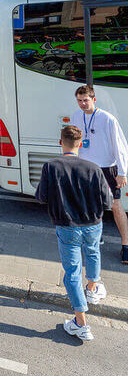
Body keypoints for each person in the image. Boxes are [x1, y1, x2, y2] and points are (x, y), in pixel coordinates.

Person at [35, 126, 113, 341]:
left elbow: (41, 197)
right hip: (92, 224)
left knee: (72, 272)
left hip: (67, 226)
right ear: (81, 144)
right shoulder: (93, 168)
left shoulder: (51, 167)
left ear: (61, 142)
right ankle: (92, 289)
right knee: (93, 253)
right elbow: (107, 202)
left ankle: (80, 322)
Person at [70, 85, 128, 264]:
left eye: (85, 100)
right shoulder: (76, 116)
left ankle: (126, 245)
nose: (82, 104)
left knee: (116, 206)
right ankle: (97, 237)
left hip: (107, 168)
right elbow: (72, 141)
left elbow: (120, 146)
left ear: (94, 100)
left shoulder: (107, 119)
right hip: (86, 167)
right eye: (79, 100)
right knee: (91, 204)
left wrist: (122, 172)